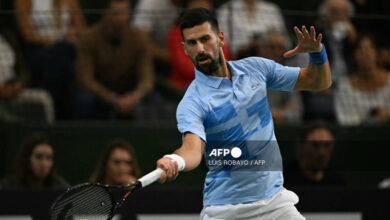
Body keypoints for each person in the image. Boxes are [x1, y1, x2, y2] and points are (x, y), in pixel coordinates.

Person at [155, 8, 331, 220]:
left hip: (275, 204)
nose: (200, 48)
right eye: (192, 43)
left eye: (205, 39)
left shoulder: (256, 68)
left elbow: (317, 81)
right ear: (184, 48)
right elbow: (192, 150)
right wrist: (175, 159)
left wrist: (317, 53)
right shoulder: (193, 102)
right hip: (225, 211)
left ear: (220, 38)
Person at [75, 0, 154, 119]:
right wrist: (113, 99)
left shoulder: (138, 39)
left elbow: (147, 77)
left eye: (123, 13)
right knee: (84, 99)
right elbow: (86, 79)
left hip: (129, 90)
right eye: (115, 13)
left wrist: (135, 96)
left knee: (153, 100)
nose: (119, 18)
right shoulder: (89, 38)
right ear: (105, 14)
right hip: (101, 91)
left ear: (129, 14)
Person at [14, 0, 85, 119]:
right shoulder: (24, 1)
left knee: (63, 52)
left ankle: (52, 108)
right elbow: (28, 35)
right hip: (40, 52)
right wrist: (52, 40)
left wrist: (73, 33)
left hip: (67, 50)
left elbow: (82, 29)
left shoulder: (70, 1)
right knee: (60, 62)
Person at [0, 27, 54, 123]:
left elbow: (22, 69)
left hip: (13, 91)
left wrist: (19, 84)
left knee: (43, 98)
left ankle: (46, 135)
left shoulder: (7, 37)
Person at [335, 34, 390, 125]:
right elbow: (346, 122)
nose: (366, 53)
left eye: (370, 48)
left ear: (377, 53)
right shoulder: (344, 87)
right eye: (360, 49)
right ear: (353, 56)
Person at [217, 0, 289, 57]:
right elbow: (222, 43)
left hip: (267, 55)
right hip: (238, 57)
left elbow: (285, 42)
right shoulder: (226, 10)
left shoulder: (271, 9)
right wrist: (249, 46)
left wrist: (266, 41)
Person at [284, 121, 345, 187]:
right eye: (315, 145)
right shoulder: (284, 180)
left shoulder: (337, 182)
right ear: (302, 146)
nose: (322, 152)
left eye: (327, 145)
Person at [1, 132, 69, 189]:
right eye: (38, 157)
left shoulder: (61, 188)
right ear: (27, 159)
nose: (44, 164)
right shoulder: (8, 186)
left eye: (49, 158)